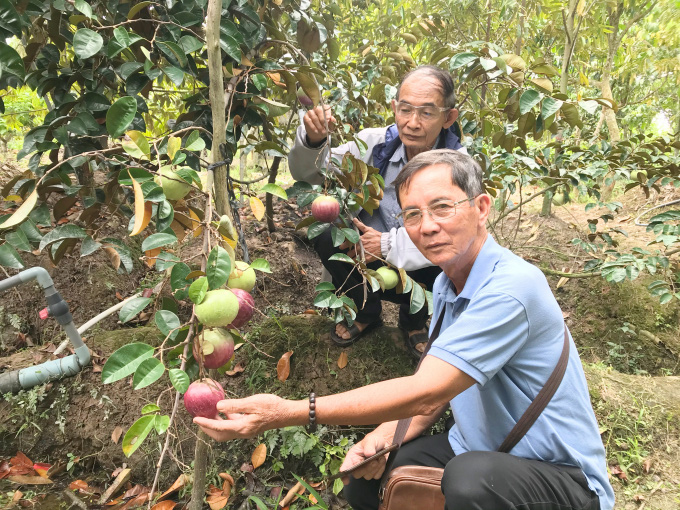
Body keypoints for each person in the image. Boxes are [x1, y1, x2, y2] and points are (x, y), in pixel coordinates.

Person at [195, 150, 615, 510]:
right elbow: (437, 394)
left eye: (443, 207)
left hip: (562, 475)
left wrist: (288, 412)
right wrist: (383, 437)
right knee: (362, 476)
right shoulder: (450, 285)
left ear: (482, 207)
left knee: (470, 481)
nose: (426, 226)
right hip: (477, 446)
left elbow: (429, 390)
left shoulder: (511, 289)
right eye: (412, 214)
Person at [288, 65, 468, 356]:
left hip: (422, 267)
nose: (412, 122)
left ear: (449, 117)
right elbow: (312, 171)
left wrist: (385, 245)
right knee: (325, 230)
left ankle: (414, 320)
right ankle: (365, 311)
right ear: (394, 107)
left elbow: (457, 235)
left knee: (445, 249)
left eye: (426, 112)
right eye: (406, 109)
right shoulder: (375, 145)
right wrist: (315, 140)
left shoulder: (458, 166)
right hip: (364, 262)